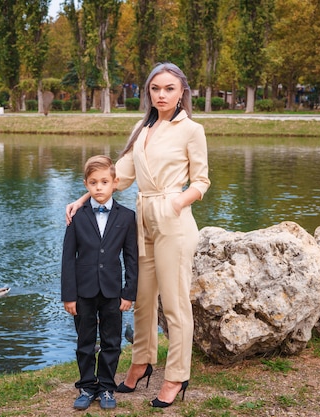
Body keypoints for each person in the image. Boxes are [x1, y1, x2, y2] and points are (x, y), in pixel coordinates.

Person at [66, 62, 210, 408]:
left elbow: (202, 181)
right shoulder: (142, 129)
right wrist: (84, 197)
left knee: (174, 306)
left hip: (172, 220)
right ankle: (141, 362)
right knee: (142, 300)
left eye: (169, 89)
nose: (161, 95)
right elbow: (119, 177)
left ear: (182, 93)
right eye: (155, 88)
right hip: (140, 219)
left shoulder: (192, 129)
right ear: (148, 92)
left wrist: (176, 203)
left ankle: (176, 375)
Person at [61, 155, 138, 411]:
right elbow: (68, 259)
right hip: (83, 291)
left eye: (104, 182)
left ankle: (106, 387)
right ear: (86, 185)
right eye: (93, 182)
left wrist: (129, 293)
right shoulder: (76, 216)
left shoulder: (127, 217)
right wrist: (68, 296)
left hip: (113, 291)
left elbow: (131, 257)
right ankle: (86, 385)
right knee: (84, 342)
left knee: (112, 342)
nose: (99, 187)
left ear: (114, 183)